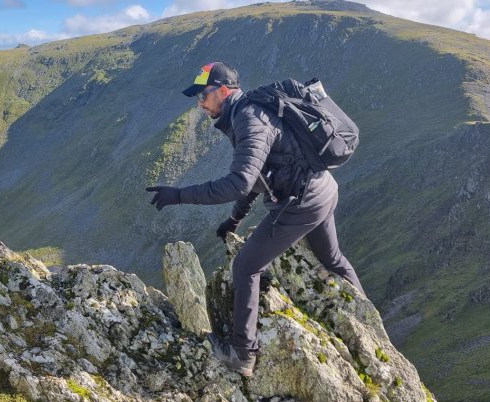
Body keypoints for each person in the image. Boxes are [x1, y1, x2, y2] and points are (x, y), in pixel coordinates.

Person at [147, 62, 365, 377]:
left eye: (203, 96)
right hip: (323, 189)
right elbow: (261, 174)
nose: (199, 103)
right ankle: (366, 317)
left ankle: (242, 354)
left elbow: (239, 182)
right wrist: (235, 220)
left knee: (246, 267)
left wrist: (178, 195)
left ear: (223, 91)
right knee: (332, 259)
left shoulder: (249, 119)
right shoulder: (250, 112)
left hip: (302, 202)